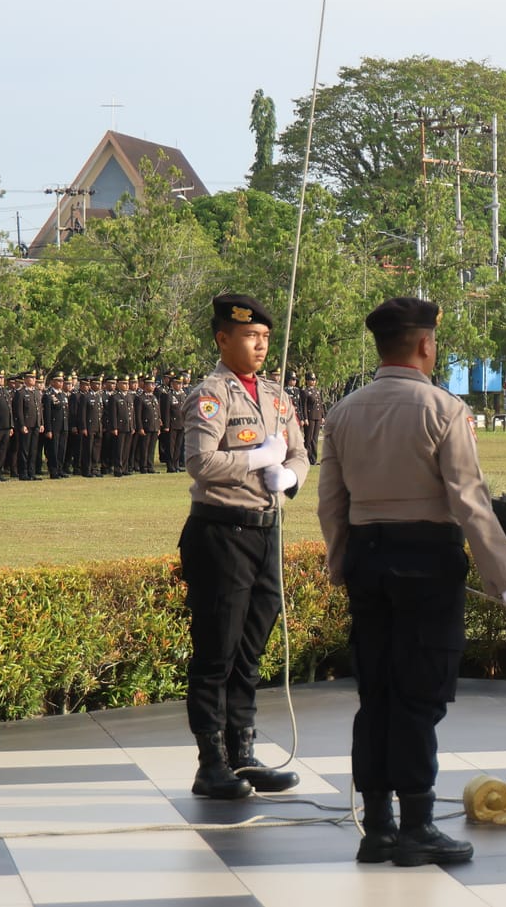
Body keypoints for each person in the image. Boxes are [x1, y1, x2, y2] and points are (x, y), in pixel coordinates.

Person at [317, 297, 506, 867]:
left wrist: (340, 563)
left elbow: (331, 505)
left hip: (368, 557)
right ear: (424, 344)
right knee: (419, 695)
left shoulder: (344, 412)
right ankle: (417, 822)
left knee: (377, 695)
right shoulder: (444, 409)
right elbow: (470, 502)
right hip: (425, 562)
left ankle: (378, 827)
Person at [179, 295, 310, 800]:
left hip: (266, 529)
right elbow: (201, 462)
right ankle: (211, 761)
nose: (260, 346)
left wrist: (289, 475)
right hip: (222, 532)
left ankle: (243, 751)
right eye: (251, 337)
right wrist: (256, 459)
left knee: (251, 647)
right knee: (218, 649)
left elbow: (300, 452)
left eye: (265, 338)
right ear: (223, 339)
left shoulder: (277, 397)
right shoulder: (212, 395)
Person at [45, 373, 71, 479]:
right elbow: (47, 414)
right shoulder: (49, 395)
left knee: (61, 449)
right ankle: (53, 470)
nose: (61, 383)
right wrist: (49, 429)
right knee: (53, 450)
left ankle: (60, 469)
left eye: (61, 381)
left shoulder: (63, 395)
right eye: (58, 381)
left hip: (63, 426)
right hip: (54, 427)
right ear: (52, 382)